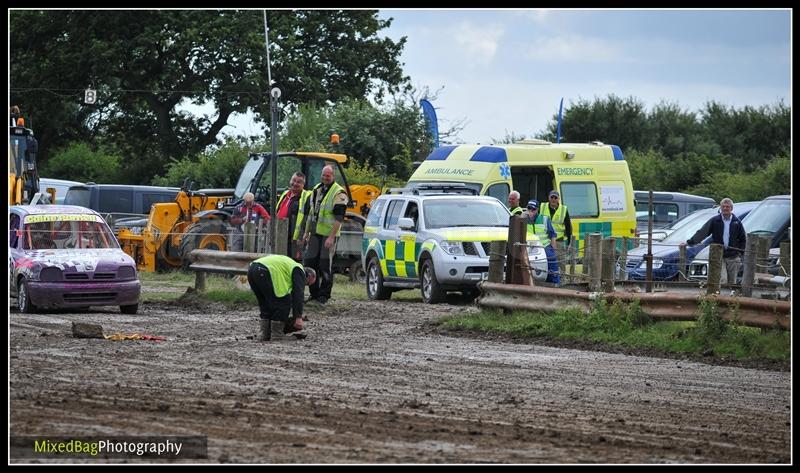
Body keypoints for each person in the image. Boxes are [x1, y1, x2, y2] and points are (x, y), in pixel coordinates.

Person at [301, 165, 348, 304]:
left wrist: (331, 237)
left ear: (333, 176)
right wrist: (306, 232)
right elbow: (311, 213)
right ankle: (314, 294)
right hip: (315, 233)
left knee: (325, 265)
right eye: (323, 175)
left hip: (328, 235)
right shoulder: (317, 189)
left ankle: (324, 296)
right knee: (310, 264)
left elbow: (339, 218)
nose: (325, 177)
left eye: (328, 175)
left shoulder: (339, 193)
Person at [681, 197, 746, 291]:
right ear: (720, 208)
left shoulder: (737, 222)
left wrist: (741, 253)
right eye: (723, 206)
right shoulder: (715, 220)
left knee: (733, 281)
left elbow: (742, 239)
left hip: (733, 256)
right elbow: (702, 232)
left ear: (731, 208)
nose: (725, 209)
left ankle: (732, 300)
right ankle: (718, 298)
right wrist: (689, 242)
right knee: (722, 279)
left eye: (727, 207)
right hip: (719, 255)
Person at [247, 254, 317, 341]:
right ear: (309, 276)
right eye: (307, 283)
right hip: (265, 271)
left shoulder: (290, 266)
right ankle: (277, 334)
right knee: (284, 303)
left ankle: (264, 334)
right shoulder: (299, 270)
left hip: (252, 269)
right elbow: (298, 295)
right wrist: (298, 317)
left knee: (265, 303)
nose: (304, 285)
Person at [276, 172, 312, 262]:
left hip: (295, 239)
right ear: (290, 180)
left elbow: (308, 219)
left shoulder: (306, 197)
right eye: (294, 180)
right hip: (281, 235)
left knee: (293, 263)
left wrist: (301, 236)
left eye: (299, 182)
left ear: (303, 185)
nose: (295, 183)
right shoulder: (285, 194)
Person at [524, 199, 560, 284]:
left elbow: (553, 235)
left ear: (537, 210)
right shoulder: (523, 219)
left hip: (544, 246)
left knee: (551, 259)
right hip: (529, 246)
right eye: (529, 208)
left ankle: (555, 283)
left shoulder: (544, 219)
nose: (531, 211)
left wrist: (554, 250)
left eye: (533, 209)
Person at [541, 189, 573, 256]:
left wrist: (569, 242)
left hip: (558, 240)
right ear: (548, 198)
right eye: (552, 197)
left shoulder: (563, 209)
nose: (553, 199)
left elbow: (568, 227)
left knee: (560, 262)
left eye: (555, 198)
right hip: (545, 240)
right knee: (547, 261)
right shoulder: (542, 207)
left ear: (558, 199)